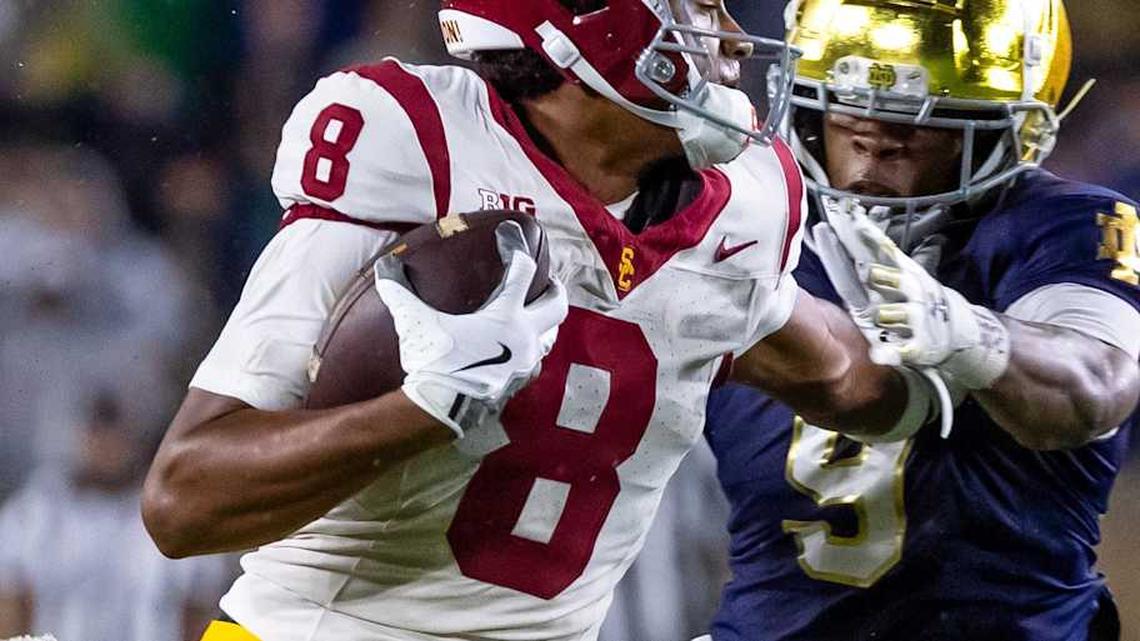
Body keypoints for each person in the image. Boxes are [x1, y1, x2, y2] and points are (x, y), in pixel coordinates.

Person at [142, 1, 952, 640]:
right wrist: (424, 408)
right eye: (703, 8)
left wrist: (961, 352)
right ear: (590, 23)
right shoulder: (418, 148)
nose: (736, 41)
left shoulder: (744, 207)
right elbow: (184, 501)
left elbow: (842, 374)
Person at [704, 1, 1140, 640]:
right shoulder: (749, 226)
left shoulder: (1068, 227)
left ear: (1006, 130)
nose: (876, 138)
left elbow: (1094, 389)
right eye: (848, 108)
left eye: (922, 121)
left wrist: (969, 337)